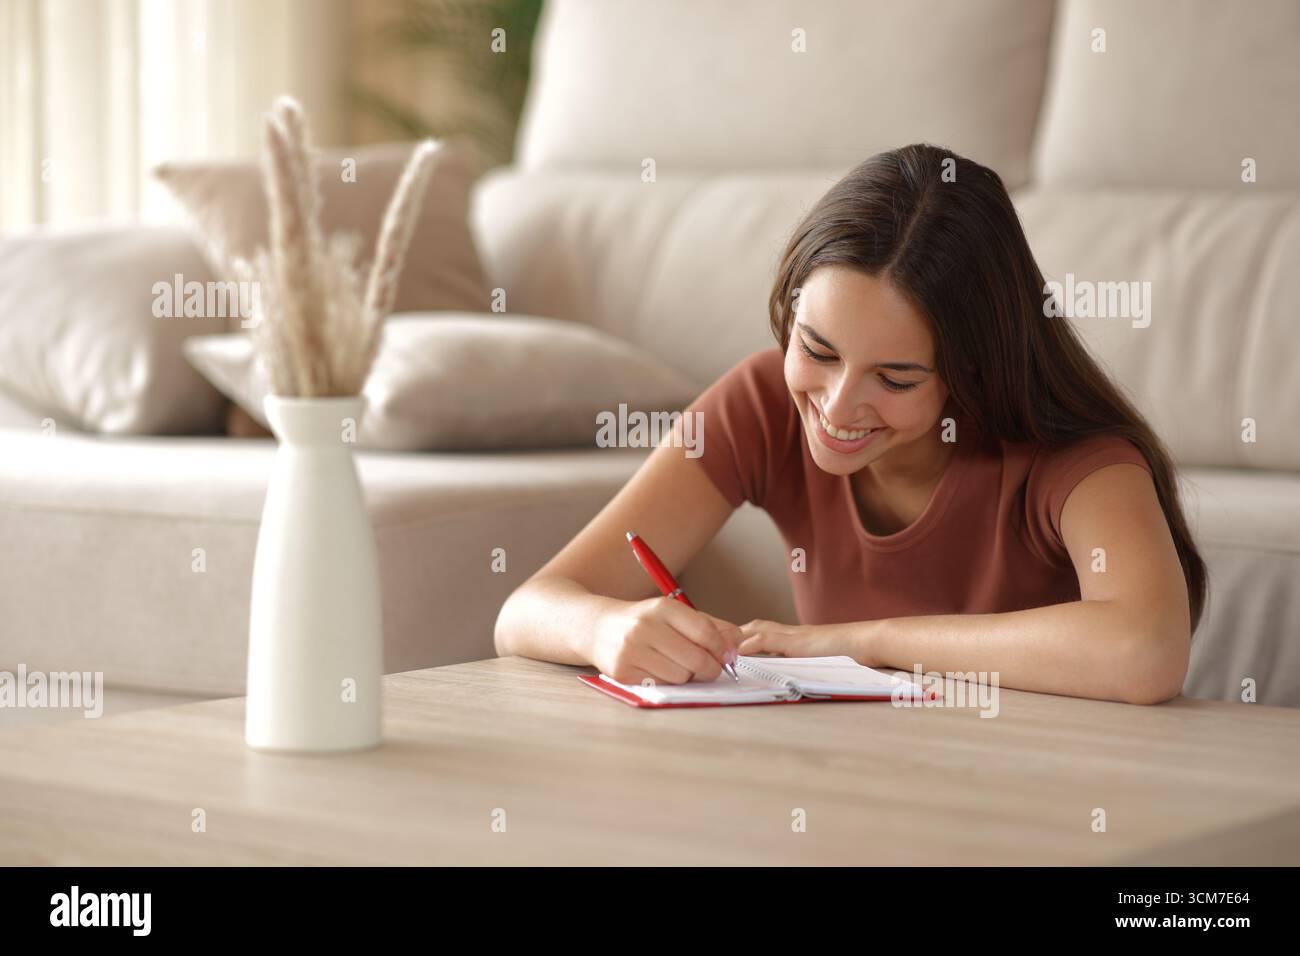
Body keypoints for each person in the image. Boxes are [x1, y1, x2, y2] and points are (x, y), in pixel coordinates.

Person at [494, 144, 1206, 705]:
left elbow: (1145, 651)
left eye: (895, 379)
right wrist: (608, 627)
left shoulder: (1080, 461)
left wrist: (865, 642)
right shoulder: (760, 405)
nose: (835, 408)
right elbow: (526, 612)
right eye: (817, 350)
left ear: (974, 370)